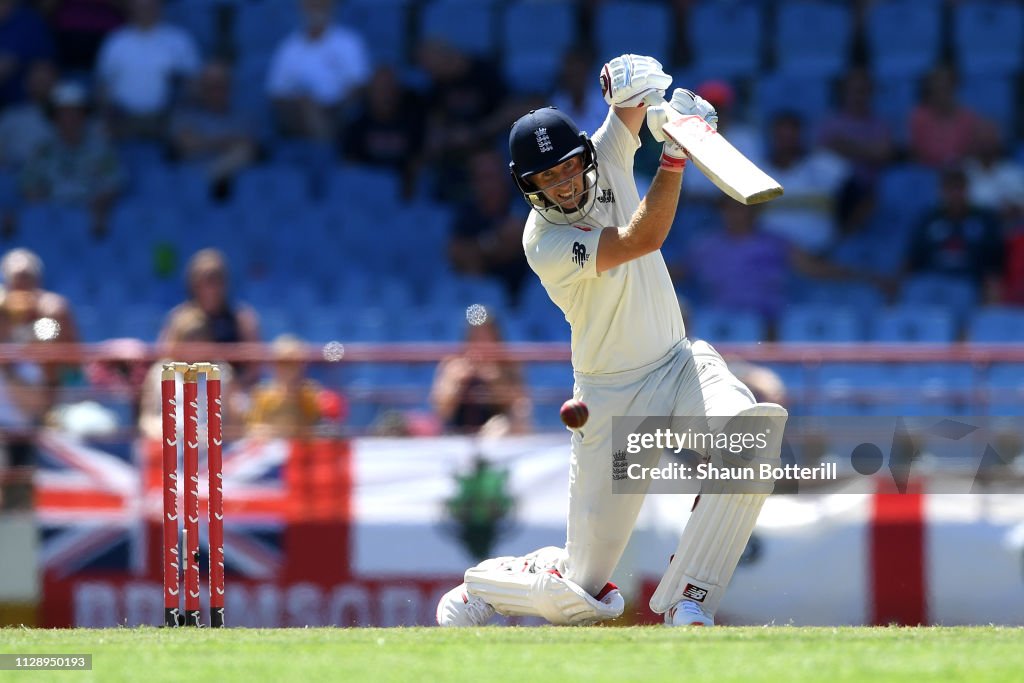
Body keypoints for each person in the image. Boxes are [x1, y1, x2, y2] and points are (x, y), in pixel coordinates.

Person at [436, 54, 788, 628]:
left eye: (569, 168)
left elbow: (628, 104)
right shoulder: (544, 241)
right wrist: (675, 153)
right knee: (585, 592)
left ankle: (690, 600)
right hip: (612, 400)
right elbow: (642, 238)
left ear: (583, 157)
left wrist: (643, 85)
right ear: (529, 188)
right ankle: (489, 589)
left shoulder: (605, 156)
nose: (564, 184)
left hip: (679, 365)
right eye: (546, 180)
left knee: (749, 438)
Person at [18, 81, 123, 237]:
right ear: (54, 117)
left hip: (91, 219)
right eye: (63, 113)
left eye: (75, 112)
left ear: (84, 115)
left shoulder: (101, 149)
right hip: (51, 221)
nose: (69, 118)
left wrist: (97, 208)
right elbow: (28, 187)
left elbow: (113, 185)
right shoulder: (42, 151)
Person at [95, 0, 200, 140]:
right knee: (96, 132)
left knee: (189, 130)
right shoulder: (116, 41)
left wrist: (182, 108)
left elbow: (194, 83)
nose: (145, 10)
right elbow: (103, 86)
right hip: (123, 119)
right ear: (131, 7)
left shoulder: (179, 40)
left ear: (160, 6)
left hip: (167, 119)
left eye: (150, 5)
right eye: (140, 6)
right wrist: (107, 113)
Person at [266, 0, 370, 140]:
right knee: (304, 105)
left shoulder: (349, 42)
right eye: (311, 3)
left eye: (321, 2)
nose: (316, 7)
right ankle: (325, 142)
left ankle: (325, 143)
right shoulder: (288, 48)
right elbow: (277, 93)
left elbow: (359, 86)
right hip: (299, 116)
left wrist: (335, 105)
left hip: (339, 111)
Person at [159, 248, 261, 388]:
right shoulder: (179, 318)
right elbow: (165, 356)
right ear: (194, 283)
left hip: (232, 391)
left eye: (218, 279)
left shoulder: (242, 318)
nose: (212, 287)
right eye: (207, 280)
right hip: (186, 386)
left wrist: (231, 390)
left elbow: (254, 368)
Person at [448, 147, 531, 306]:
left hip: (526, 295)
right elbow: (457, 255)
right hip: (483, 300)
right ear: (473, 182)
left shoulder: (522, 202)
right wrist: (492, 243)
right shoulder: (467, 213)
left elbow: (513, 242)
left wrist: (479, 249)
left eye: (492, 176)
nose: (488, 184)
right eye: (481, 178)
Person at [170, 59, 259, 201]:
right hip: (191, 179)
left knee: (244, 152)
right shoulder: (186, 113)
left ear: (230, 87)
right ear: (200, 87)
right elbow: (187, 144)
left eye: (221, 85)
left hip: (234, 177)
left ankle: (212, 176)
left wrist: (204, 143)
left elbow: (249, 146)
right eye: (210, 86)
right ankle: (210, 178)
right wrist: (225, 142)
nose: (216, 91)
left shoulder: (243, 116)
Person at [430, 311, 530, 437]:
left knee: (519, 413)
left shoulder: (509, 364)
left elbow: (520, 402)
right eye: (476, 335)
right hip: (457, 433)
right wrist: (457, 383)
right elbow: (440, 411)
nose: (481, 341)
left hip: (498, 431)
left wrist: (494, 380)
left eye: (486, 335)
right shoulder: (453, 365)